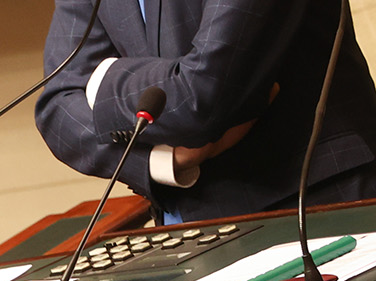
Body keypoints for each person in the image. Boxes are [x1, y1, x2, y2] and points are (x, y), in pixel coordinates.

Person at [35, 0, 376, 225]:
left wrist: (101, 83)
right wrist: (164, 162)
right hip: (188, 229)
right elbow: (56, 110)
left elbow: (204, 95)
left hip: (316, 209)